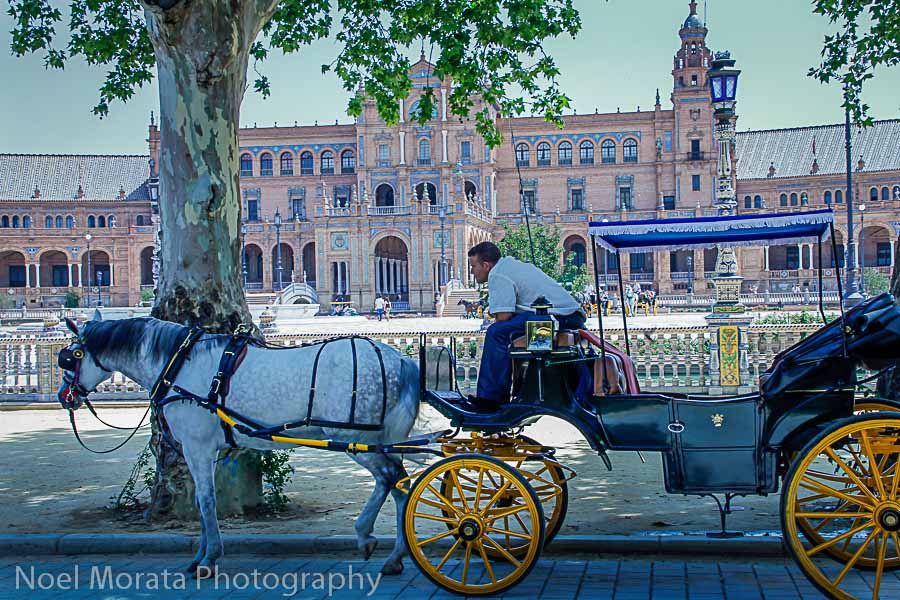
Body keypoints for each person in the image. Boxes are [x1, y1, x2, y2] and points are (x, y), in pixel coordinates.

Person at [467, 241, 586, 407]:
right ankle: (510, 388)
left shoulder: (497, 274)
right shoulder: (509, 265)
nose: (472, 271)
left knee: (496, 332)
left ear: (486, 265)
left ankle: (491, 398)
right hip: (568, 316)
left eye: (473, 266)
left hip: (557, 318)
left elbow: (503, 316)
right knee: (501, 331)